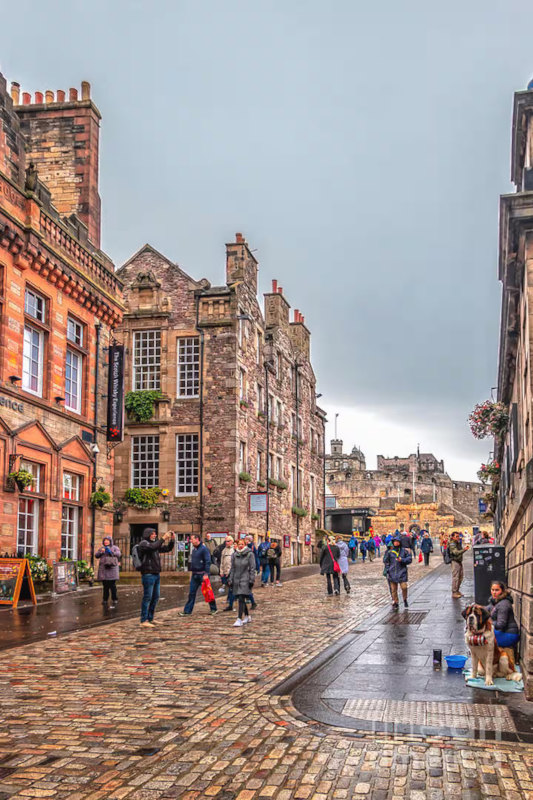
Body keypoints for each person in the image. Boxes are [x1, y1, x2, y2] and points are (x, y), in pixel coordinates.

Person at [138, 528, 175, 627]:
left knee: (155, 597)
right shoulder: (144, 544)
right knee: (148, 597)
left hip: (156, 573)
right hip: (148, 574)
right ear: (147, 534)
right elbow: (152, 547)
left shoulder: (155, 545)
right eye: (152, 534)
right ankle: (143, 620)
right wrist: (163, 538)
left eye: (155, 534)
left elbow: (167, 549)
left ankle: (150, 618)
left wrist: (172, 540)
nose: (154, 535)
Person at [179, 534, 218, 616]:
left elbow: (208, 561)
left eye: (192, 539)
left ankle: (214, 608)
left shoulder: (204, 549)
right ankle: (187, 611)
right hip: (195, 575)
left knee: (208, 592)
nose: (190, 540)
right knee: (191, 593)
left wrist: (206, 573)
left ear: (197, 539)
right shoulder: (194, 550)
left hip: (203, 575)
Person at [228, 536, 256, 626]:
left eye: (242, 544)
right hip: (236, 579)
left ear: (245, 544)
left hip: (245, 578)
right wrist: (230, 578)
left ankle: (239, 619)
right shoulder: (234, 555)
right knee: (241, 598)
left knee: (241, 598)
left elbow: (252, 568)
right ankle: (247, 616)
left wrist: (252, 579)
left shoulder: (249, 554)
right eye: (239, 544)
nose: (240, 546)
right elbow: (232, 568)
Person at [485, 581, 520, 650]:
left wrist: (489, 622)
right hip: (502, 632)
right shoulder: (495, 601)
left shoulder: (504, 604)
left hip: (509, 635)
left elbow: (501, 624)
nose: (494, 592)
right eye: (492, 590)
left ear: (502, 591)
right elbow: (486, 609)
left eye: (497, 590)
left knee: (483, 637)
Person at [383, 534, 412, 610]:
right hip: (392, 573)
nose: (396, 543)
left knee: (404, 587)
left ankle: (405, 599)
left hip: (402, 572)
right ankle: (396, 602)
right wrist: (388, 569)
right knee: (393, 590)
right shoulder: (390, 552)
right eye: (395, 542)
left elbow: (409, 559)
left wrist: (402, 560)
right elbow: (386, 561)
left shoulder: (404, 551)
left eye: (397, 542)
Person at [95, 536, 121, 605]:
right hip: (104, 569)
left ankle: (114, 599)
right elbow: (96, 555)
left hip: (112, 569)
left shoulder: (115, 547)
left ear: (110, 541)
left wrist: (111, 551)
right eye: (105, 540)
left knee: (112, 585)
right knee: (105, 586)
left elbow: (118, 554)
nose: (106, 542)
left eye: (107, 540)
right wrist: (101, 552)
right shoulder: (102, 548)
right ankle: (105, 599)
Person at [448, 531, 470, 598]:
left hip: (459, 561)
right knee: (456, 577)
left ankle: (457, 590)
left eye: (458, 536)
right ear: (453, 537)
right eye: (456, 536)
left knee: (460, 576)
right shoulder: (452, 544)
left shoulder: (457, 542)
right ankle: (454, 592)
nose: (458, 538)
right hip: (455, 561)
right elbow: (455, 552)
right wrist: (464, 550)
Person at [220, 535, 235, 611]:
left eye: (228, 541)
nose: (227, 542)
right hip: (225, 572)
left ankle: (231, 603)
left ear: (232, 541)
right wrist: (221, 571)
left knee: (232, 587)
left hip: (232, 572)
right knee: (230, 587)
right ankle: (230, 601)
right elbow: (222, 562)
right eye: (226, 541)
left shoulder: (234, 550)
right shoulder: (224, 550)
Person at [245, 535, 259, 609]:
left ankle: (251, 601)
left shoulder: (252, 548)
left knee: (247, 586)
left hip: (249, 569)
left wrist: (257, 567)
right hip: (243, 569)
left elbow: (255, 558)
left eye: (246, 539)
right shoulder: (244, 547)